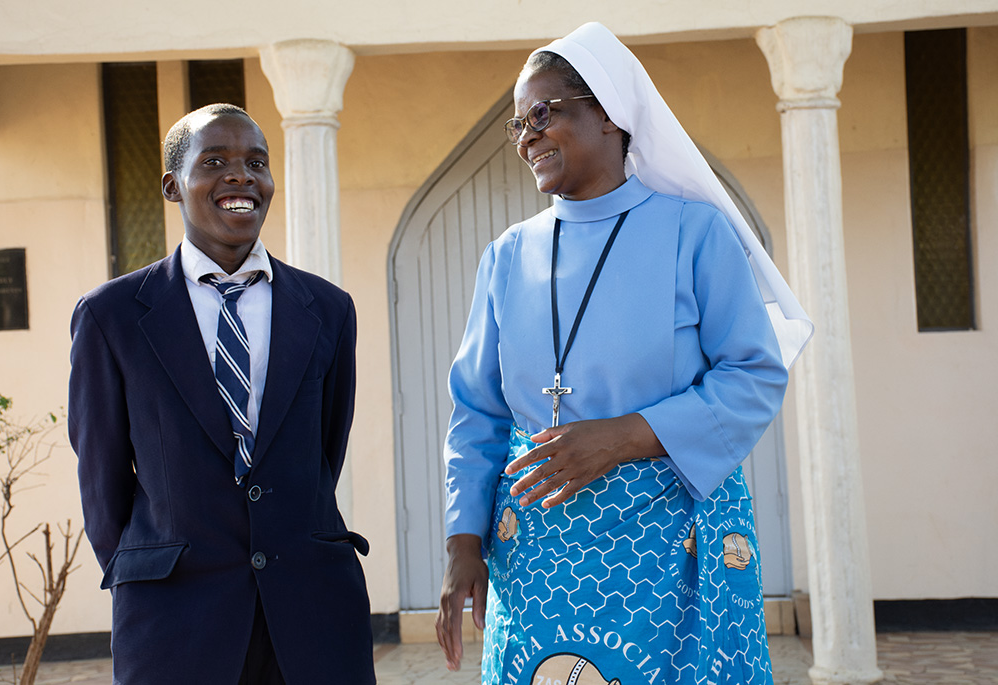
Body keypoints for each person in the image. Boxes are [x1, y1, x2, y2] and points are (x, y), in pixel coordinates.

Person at [435, 23, 812, 685]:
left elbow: (752, 374)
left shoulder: (694, 233)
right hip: (540, 552)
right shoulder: (506, 256)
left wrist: (624, 437)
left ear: (609, 114)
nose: (527, 136)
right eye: (518, 124)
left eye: (544, 113)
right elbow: (477, 410)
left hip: (669, 543)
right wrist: (464, 542)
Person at [68, 104, 374, 684]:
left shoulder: (327, 309)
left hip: (313, 613)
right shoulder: (111, 316)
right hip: (175, 620)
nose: (241, 176)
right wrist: (149, 569)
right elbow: (101, 476)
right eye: (216, 162)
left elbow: (324, 451)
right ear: (172, 185)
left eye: (256, 162)